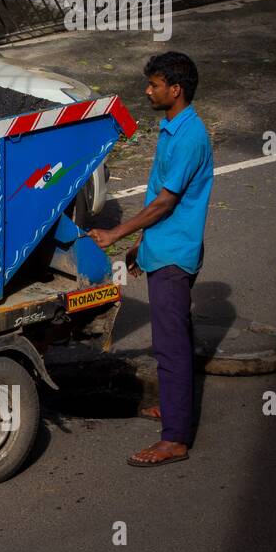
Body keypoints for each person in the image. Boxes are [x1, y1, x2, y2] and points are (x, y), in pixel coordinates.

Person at [88, 52, 213, 468]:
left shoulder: (191, 136)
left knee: (170, 345)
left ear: (175, 90)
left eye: (155, 84)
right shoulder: (171, 128)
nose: (148, 90)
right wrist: (142, 247)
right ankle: (175, 409)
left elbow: (165, 203)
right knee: (175, 337)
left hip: (175, 256)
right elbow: (159, 200)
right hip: (163, 248)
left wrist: (115, 233)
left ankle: (175, 438)